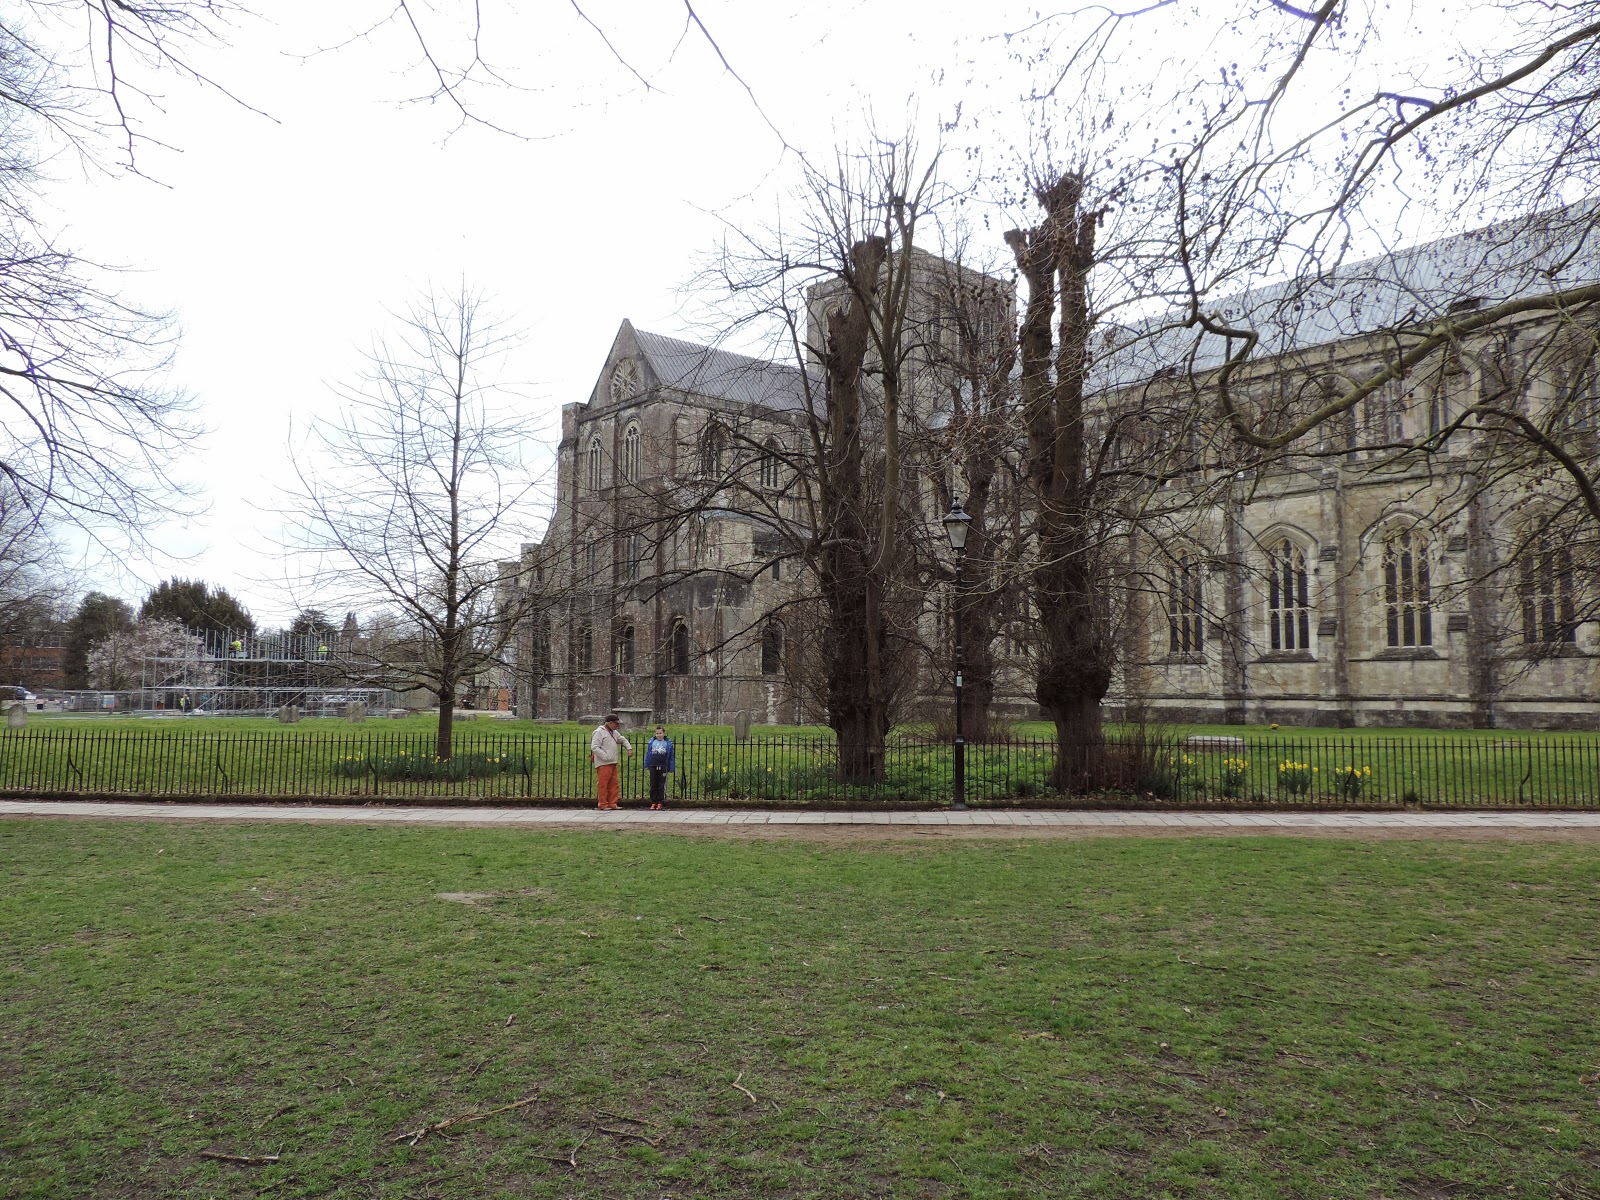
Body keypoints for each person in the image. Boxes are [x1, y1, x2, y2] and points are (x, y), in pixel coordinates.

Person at [589, 713, 633, 811]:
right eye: (615, 723)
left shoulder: (614, 732)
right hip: (603, 763)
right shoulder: (599, 732)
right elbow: (594, 747)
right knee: (603, 784)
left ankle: (612, 803)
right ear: (609, 723)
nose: (617, 725)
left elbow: (622, 739)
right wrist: (605, 756)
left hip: (612, 762)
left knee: (613, 784)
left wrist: (629, 748)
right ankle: (603, 804)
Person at [643, 724, 675, 810]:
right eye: (657, 733)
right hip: (653, 765)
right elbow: (648, 754)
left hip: (663, 765)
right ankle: (653, 801)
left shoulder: (667, 743)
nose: (658, 735)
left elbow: (671, 756)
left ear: (664, 733)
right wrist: (647, 764)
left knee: (661, 784)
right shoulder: (652, 742)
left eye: (660, 733)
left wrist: (671, 767)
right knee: (653, 784)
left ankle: (660, 801)